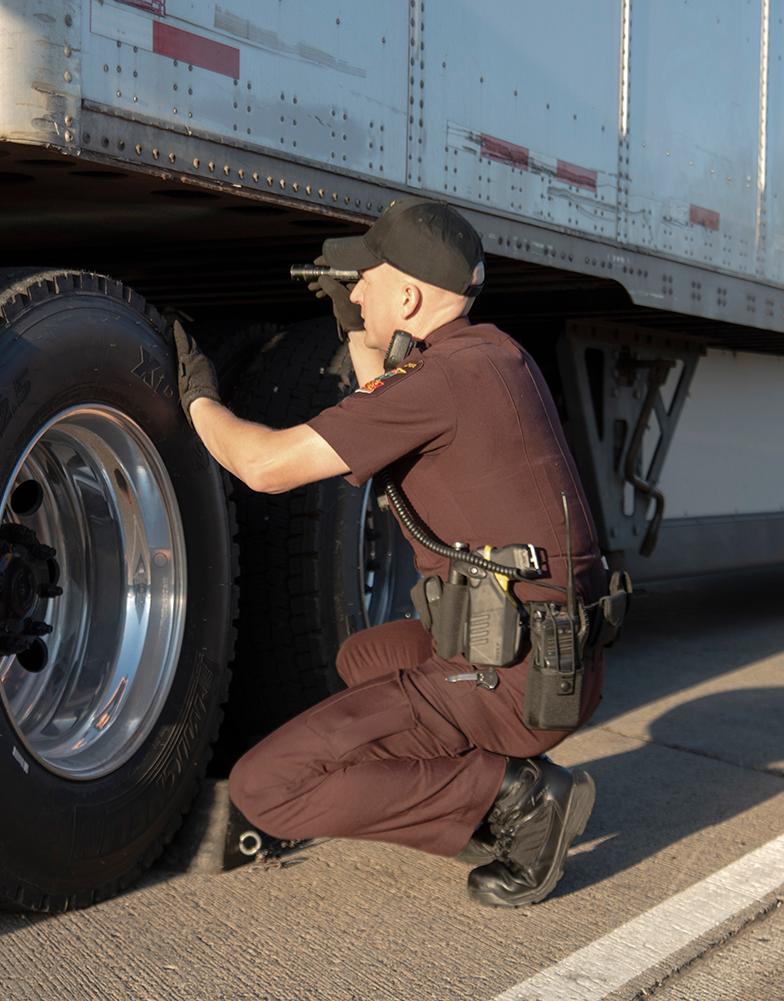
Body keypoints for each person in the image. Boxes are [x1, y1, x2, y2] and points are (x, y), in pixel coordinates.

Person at [170, 196, 606, 907]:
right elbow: (390, 398)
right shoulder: (493, 356)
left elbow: (264, 466)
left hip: (511, 684)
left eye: (365, 280)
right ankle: (482, 786)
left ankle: (518, 797)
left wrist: (197, 394)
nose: (356, 290)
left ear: (407, 294)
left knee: (265, 787)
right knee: (361, 660)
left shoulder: (437, 384)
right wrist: (356, 326)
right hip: (553, 660)